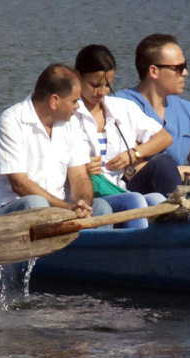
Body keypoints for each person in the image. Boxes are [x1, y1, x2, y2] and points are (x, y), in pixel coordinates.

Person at [0, 63, 112, 221]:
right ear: (54, 101)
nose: (78, 106)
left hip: (59, 209)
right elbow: (20, 184)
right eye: (74, 101)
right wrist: (67, 208)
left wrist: (82, 206)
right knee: (36, 203)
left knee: (102, 208)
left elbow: (80, 177)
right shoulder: (11, 122)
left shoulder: (71, 123)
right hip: (11, 210)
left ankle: (88, 245)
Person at [73, 44, 182, 228]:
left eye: (108, 85)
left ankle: (178, 238)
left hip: (119, 187)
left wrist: (133, 154)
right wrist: (80, 168)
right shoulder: (69, 113)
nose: (102, 92)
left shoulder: (123, 108)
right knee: (135, 201)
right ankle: (139, 252)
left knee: (157, 195)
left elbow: (164, 138)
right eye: (95, 85)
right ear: (77, 77)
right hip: (85, 193)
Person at [117, 33, 190, 195]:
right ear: (154, 71)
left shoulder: (188, 111)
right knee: (162, 165)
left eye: (185, 66)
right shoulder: (120, 105)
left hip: (177, 197)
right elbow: (132, 170)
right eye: (178, 68)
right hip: (138, 198)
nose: (185, 73)